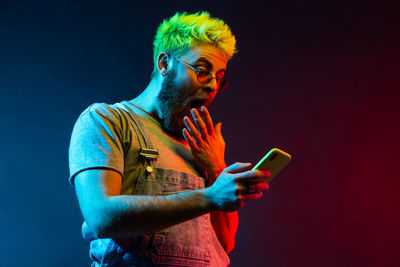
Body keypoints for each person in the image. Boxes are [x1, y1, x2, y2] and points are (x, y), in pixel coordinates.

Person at [69, 11, 270, 267]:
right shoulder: (106, 120)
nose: (212, 86)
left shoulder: (199, 143)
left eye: (219, 77)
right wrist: (211, 196)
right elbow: (101, 216)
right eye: (202, 70)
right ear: (164, 64)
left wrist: (217, 169)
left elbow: (223, 243)